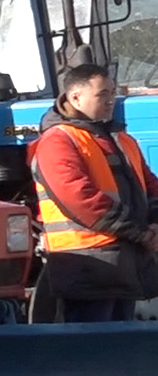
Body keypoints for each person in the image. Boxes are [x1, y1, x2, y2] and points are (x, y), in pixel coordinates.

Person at [32, 63, 158, 322]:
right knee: (92, 352)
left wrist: (154, 224)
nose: (111, 100)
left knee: (119, 351)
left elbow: (150, 187)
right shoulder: (58, 141)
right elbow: (80, 198)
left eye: (112, 93)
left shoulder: (121, 139)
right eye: (103, 94)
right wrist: (141, 232)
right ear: (75, 98)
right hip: (86, 266)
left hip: (122, 262)